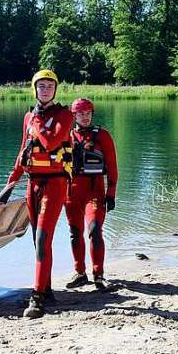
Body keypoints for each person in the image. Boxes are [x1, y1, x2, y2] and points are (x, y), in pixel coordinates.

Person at [3, 69, 74, 319]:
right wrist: (10, 185)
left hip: (55, 184)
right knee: (38, 242)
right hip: (32, 183)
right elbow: (24, 152)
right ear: (34, 89)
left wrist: (35, 121)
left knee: (43, 238)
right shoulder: (28, 117)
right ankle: (46, 290)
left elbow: (51, 143)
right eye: (41, 85)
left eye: (49, 86)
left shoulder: (65, 116)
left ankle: (37, 298)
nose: (45, 89)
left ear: (55, 90)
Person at [64, 98, 118, 291]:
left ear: (92, 114)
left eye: (88, 113)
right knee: (75, 233)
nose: (85, 118)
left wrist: (111, 193)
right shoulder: (65, 136)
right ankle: (79, 273)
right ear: (74, 116)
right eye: (81, 114)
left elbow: (112, 166)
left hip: (94, 193)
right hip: (70, 193)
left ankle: (99, 275)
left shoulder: (102, 136)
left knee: (95, 231)